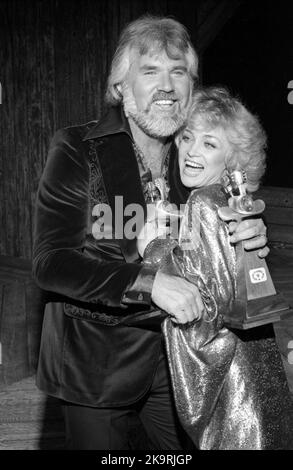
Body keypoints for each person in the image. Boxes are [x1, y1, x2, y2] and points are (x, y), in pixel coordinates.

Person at [33, 15, 269, 450]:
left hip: (181, 362)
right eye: (150, 71)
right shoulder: (76, 148)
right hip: (96, 367)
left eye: (178, 72)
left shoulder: (191, 155)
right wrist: (149, 282)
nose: (167, 86)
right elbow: (52, 263)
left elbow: (227, 204)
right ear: (121, 87)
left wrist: (250, 231)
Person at [139, 86, 293, 449]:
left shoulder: (203, 204)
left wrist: (154, 248)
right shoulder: (232, 204)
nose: (191, 150)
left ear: (233, 161)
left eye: (209, 144)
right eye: (187, 137)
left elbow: (209, 310)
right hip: (259, 381)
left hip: (236, 395)